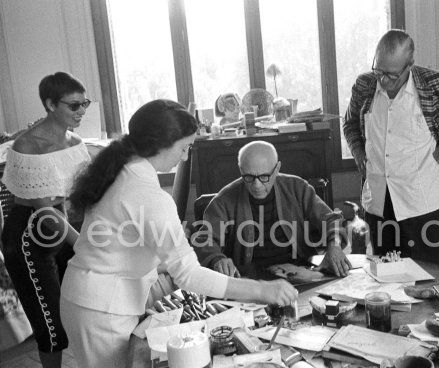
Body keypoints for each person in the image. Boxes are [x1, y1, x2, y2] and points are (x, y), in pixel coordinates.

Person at [60, 99, 297, 368]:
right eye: (184, 148)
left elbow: (124, 243)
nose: (184, 157)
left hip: (88, 298)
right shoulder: (147, 193)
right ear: (160, 144)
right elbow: (188, 275)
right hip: (102, 310)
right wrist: (261, 291)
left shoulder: (120, 170)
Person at [342, 29, 439, 264]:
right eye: (378, 71)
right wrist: (358, 153)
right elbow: (349, 123)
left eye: (391, 75)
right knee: (382, 279)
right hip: (377, 202)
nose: (383, 80)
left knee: (425, 281)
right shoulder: (365, 85)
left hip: (421, 205)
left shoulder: (437, 85)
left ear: (410, 66)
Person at [0, 72, 92, 368]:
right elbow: (44, 211)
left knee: (80, 309)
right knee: (52, 328)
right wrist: (83, 244)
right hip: (28, 237)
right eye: (74, 105)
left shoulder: (75, 141)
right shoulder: (27, 146)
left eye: (85, 103)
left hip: (59, 226)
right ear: (51, 104)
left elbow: (80, 196)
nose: (81, 112)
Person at [192, 141, 352, 278]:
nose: (256, 185)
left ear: (277, 169)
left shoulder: (297, 188)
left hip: (299, 273)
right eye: (248, 177)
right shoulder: (224, 200)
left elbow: (331, 220)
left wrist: (335, 245)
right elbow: (204, 239)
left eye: (264, 177)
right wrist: (216, 259)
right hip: (251, 280)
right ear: (240, 170)